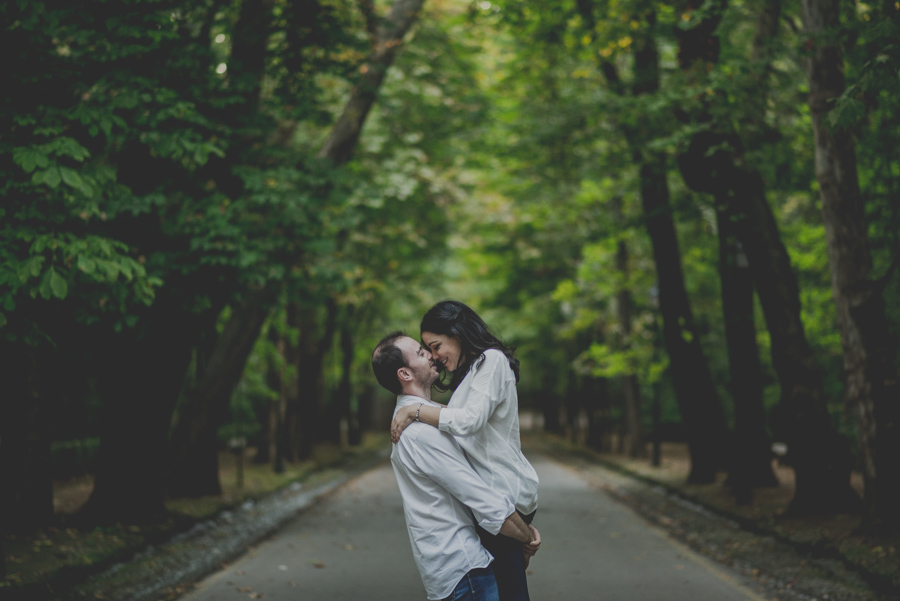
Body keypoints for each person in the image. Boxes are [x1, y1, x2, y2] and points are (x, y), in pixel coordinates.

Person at [390, 300, 540, 601]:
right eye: (427, 350)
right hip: (493, 505)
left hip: (504, 494)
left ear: (457, 333)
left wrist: (416, 410)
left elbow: (468, 422)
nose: (434, 356)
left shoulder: (492, 361)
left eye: (436, 346)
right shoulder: (472, 373)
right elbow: (459, 423)